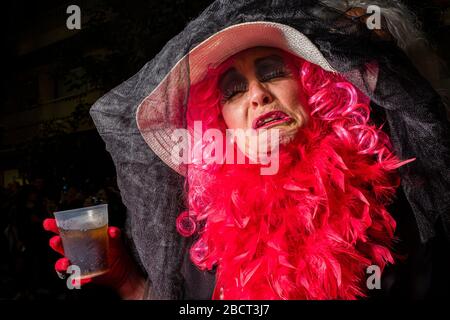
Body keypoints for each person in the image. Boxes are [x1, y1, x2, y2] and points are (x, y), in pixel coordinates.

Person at [44, 0, 450, 299]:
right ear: (222, 123)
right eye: (233, 90)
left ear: (315, 88)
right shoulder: (206, 238)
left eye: (273, 71)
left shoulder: (393, 205)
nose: (256, 94)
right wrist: (127, 282)